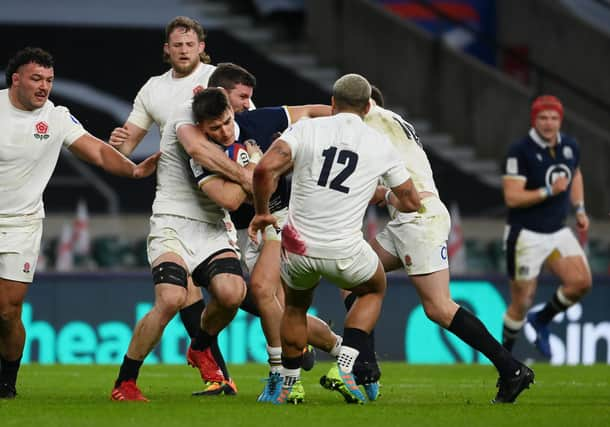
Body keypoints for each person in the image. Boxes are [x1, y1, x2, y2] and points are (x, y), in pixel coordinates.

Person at [341, 90, 536, 404]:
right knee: (351, 274)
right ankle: (366, 365)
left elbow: (376, 189)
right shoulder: (394, 124)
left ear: (363, 106)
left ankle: (511, 368)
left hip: (418, 219)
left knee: (439, 308)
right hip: (411, 219)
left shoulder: (371, 126)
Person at [248, 74, 421, 405]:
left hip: (297, 247)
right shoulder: (378, 143)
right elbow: (411, 200)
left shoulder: (307, 128)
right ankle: (345, 364)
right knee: (373, 288)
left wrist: (261, 212)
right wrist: (388, 197)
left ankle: (288, 384)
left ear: (332, 103)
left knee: (295, 307)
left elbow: (263, 170)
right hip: (345, 249)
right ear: (369, 106)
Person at [0, 47, 160, 399]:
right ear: (16, 79)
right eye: (36, 78)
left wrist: (133, 169)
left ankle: (6, 382)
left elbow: (100, 151)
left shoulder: (57, 117)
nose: (44, 86)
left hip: (21, 224)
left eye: (49, 80)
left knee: (8, 310)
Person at [108, 16, 251, 392]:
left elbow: (247, 125)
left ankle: (203, 350)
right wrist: (120, 144)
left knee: (234, 294)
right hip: (172, 212)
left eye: (190, 44)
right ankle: (126, 380)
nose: (184, 50)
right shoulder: (154, 91)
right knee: (172, 297)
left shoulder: (219, 79)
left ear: (202, 46)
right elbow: (127, 146)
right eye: (177, 45)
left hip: (213, 216)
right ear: (166, 49)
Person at [184, 78, 342, 404]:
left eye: (227, 121)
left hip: (282, 218)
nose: (225, 131)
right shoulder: (202, 155)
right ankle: (347, 351)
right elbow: (228, 199)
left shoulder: (258, 120)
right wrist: (259, 168)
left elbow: (311, 112)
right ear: (203, 128)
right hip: (246, 232)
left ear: (232, 111)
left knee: (260, 289)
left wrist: (353, 119)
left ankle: (280, 375)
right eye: (215, 128)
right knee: (282, 312)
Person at [501, 95, 592, 360]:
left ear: (560, 120)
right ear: (534, 119)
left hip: (557, 230)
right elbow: (512, 197)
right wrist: (549, 190)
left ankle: (540, 320)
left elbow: (575, 174)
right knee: (521, 302)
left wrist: (580, 208)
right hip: (525, 235)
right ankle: (504, 360)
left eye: (554, 118)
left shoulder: (570, 146)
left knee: (580, 282)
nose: (549, 123)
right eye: (543, 117)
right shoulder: (520, 150)